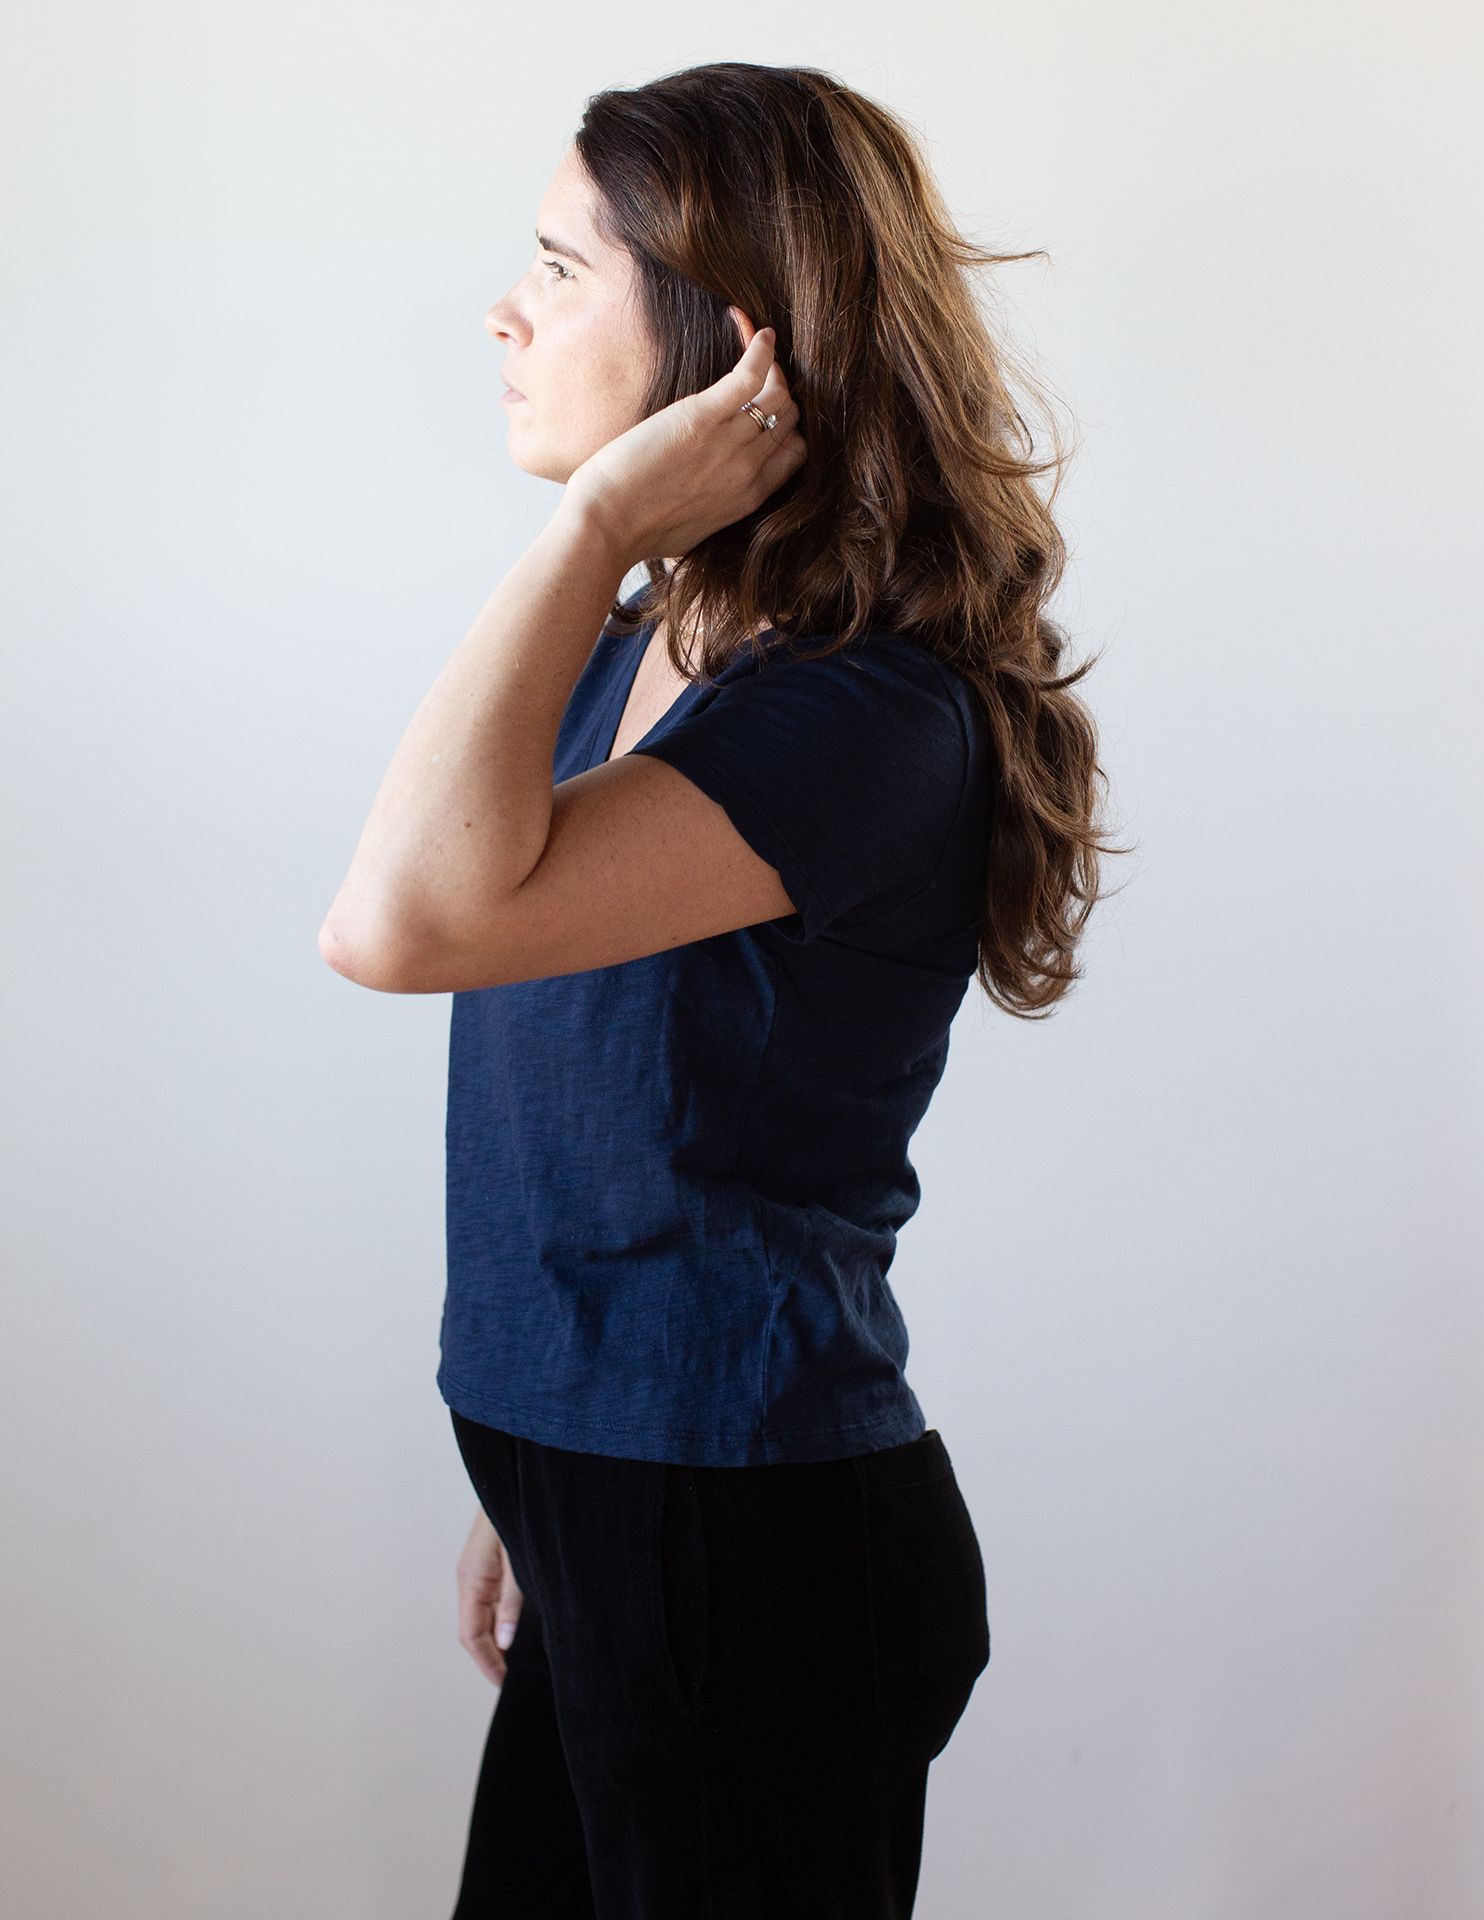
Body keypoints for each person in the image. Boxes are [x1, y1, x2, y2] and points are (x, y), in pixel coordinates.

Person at [321, 61, 1107, 1920]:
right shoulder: (635, 652)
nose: (502, 311)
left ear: (720, 332)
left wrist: (591, 517)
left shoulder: (856, 713)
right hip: (612, 1507)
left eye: (554, 266)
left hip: (747, 1551)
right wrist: (541, 1490)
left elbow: (392, 926)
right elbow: (585, 1120)